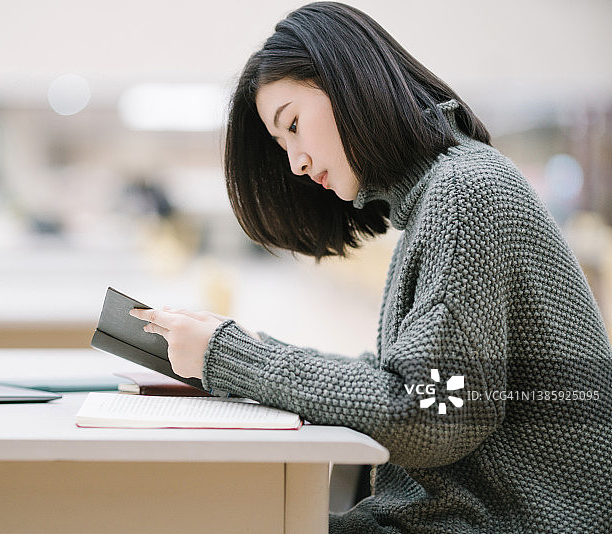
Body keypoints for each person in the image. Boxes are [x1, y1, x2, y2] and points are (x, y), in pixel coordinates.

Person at [130, 2, 612, 532]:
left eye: (294, 125)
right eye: (282, 143)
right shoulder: (444, 194)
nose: (295, 162)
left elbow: (429, 409)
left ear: (349, 84)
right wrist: (245, 352)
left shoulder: (465, 194)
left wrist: (233, 357)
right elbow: (416, 380)